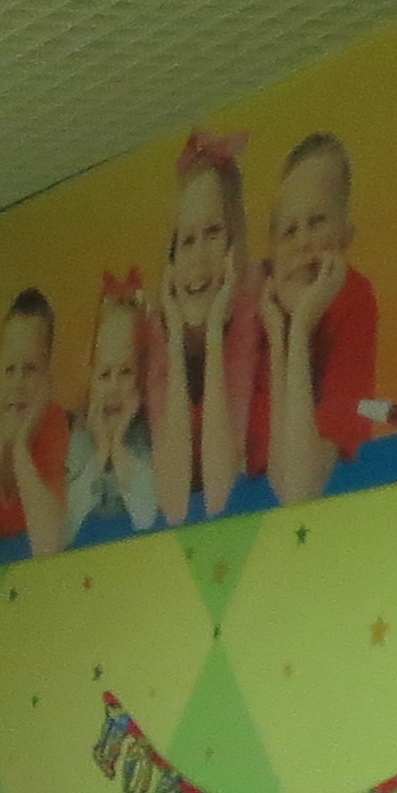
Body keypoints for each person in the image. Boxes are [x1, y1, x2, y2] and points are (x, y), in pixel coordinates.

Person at [252, 130, 377, 509]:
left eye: (317, 221)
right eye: (289, 230)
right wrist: (280, 340)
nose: (303, 241)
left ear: (346, 237)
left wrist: (300, 327)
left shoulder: (355, 299)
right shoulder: (258, 307)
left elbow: (300, 487)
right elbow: (282, 479)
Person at [148, 131, 257, 525]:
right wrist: (177, 341)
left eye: (212, 234)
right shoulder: (163, 330)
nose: (197, 259)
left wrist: (213, 337)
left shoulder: (249, 313)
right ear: (171, 260)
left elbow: (218, 496)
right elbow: (174, 504)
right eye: (186, 241)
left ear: (233, 244)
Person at [62, 275, 161, 543]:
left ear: (142, 376)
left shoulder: (148, 434)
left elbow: (146, 516)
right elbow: (65, 527)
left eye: (126, 372)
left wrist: (117, 446)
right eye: (105, 375)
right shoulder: (80, 437)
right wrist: (101, 451)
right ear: (91, 378)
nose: (114, 388)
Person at [0, 290, 68, 559]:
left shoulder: (53, 424)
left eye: (30, 369)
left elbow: (49, 547)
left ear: (47, 381)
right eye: (9, 369)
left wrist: (20, 448)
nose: (17, 384)